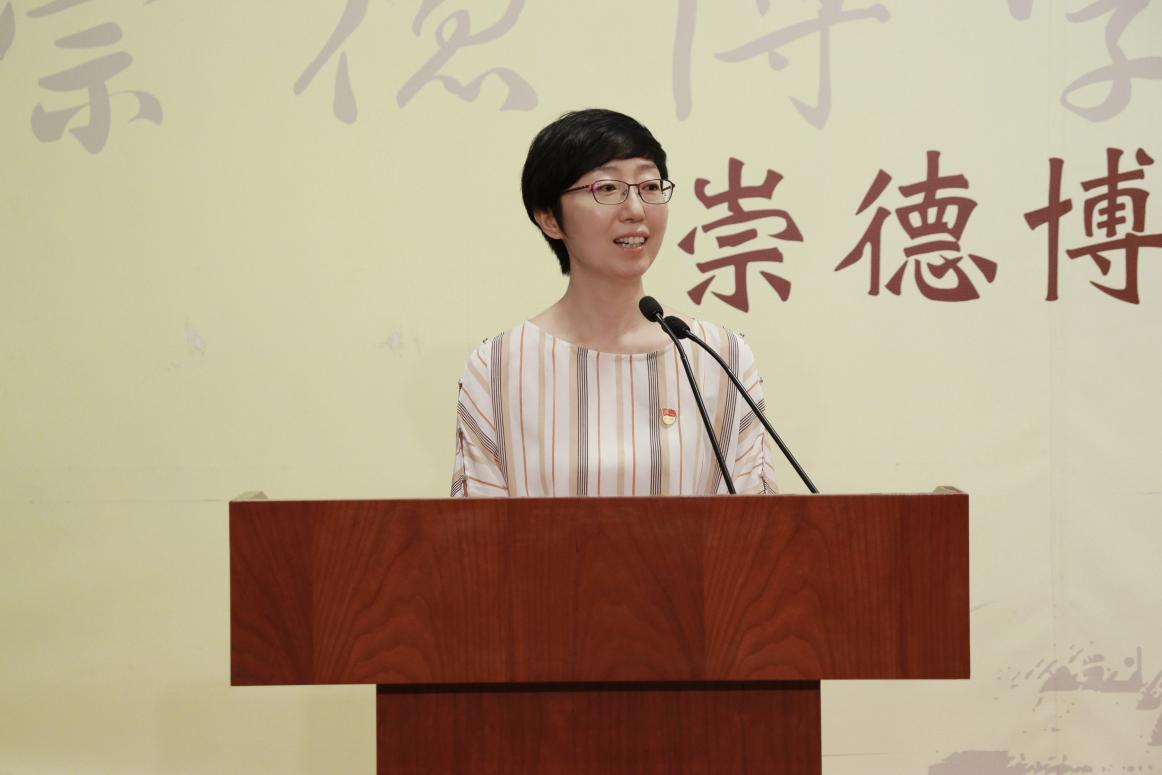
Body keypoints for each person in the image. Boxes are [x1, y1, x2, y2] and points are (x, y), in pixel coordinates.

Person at [451, 109, 777, 497]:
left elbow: (755, 523)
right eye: (607, 189)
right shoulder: (498, 367)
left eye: (650, 187)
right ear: (549, 218)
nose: (636, 210)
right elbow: (480, 526)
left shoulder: (719, 356)